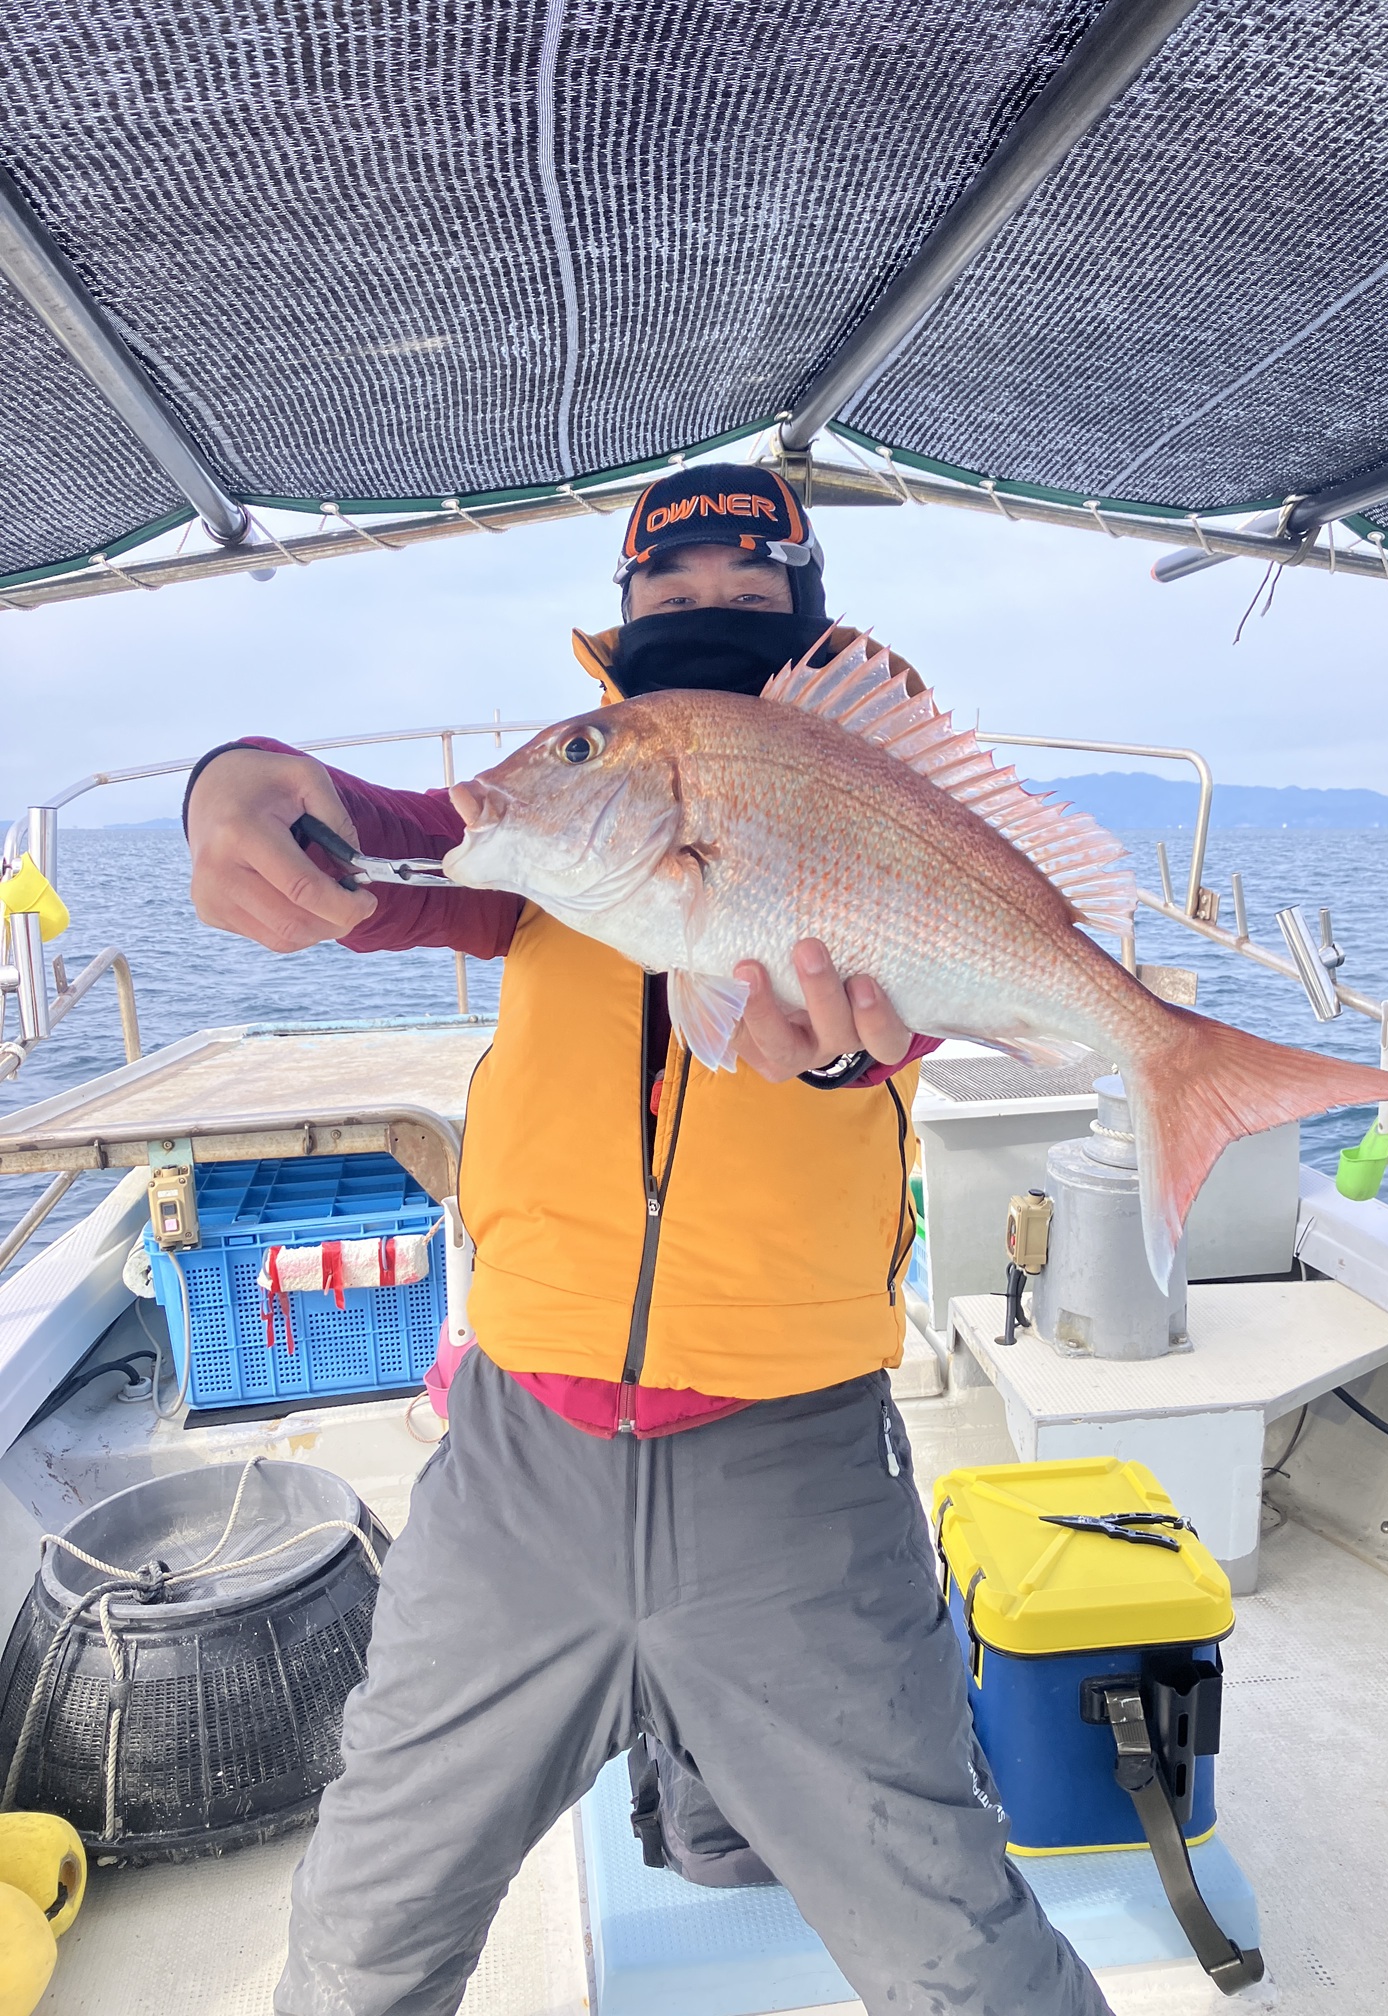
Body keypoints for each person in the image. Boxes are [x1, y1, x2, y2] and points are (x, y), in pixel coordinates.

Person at [185, 464, 1111, 2016]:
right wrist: (238, 779)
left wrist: (846, 1053)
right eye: (670, 599)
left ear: (810, 620)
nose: (707, 616)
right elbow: (383, 843)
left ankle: (713, 1784)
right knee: (359, 1942)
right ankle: (695, 1779)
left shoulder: (867, 812)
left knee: (959, 1958)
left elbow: (884, 1028)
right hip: (517, 1464)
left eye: (749, 600)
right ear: (620, 630)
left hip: (797, 1468)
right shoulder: (569, 814)